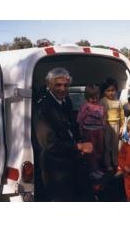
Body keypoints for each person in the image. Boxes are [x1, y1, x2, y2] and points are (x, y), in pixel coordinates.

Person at [34, 67, 93, 202]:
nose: (62, 89)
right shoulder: (43, 108)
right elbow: (49, 144)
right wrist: (79, 147)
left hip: (71, 163)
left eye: (66, 85)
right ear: (49, 85)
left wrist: (79, 142)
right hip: (55, 169)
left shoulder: (66, 102)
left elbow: (72, 127)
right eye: (58, 85)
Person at [77, 84, 106, 180]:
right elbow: (80, 120)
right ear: (86, 97)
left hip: (99, 130)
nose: (94, 100)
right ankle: (92, 171)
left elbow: (103, 118)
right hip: (88, 132)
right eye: (91, 98)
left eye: (96, 97)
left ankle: (97, 168)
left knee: (99, 150)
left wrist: (103, 128)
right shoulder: (85, 106)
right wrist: (81, 132)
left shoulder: (100, 106)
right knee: (91, 152)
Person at [100, 78, 125, 173]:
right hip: (106, 125)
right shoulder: (103, 101)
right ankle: (107, 163)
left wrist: (122, 126)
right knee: (106, 145)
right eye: (108, 90)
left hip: (117, 125)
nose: (111, 93)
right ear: (104, 91)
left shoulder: (119, 101)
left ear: (116, 90)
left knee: (115, 145)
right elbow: (100, 114)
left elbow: (122, 115)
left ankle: (115, 162)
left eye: (113, 90)